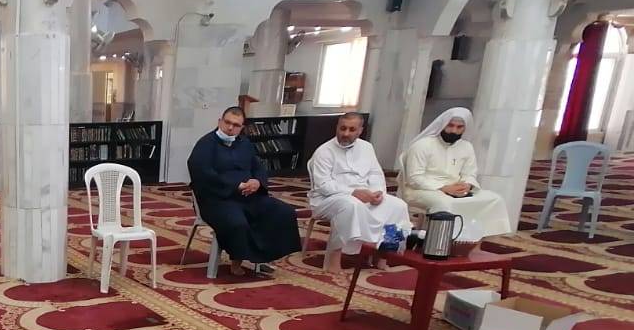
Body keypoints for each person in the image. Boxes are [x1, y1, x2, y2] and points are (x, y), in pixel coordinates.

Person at [188, 106, 301, 276]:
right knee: (237, 223)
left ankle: (263, 256)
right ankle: (238, 260)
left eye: (236, 125)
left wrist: (257, 182)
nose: (230, 128)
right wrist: (236, 185)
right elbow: (202, 174)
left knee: (283, 212)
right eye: (227, 122)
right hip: (217, 199)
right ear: (219, 121)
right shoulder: (205, 144)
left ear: (242, 127)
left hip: (248, 196)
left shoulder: (245, 144)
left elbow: (258, 167)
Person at [307, 112, 412, 269]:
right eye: (342, 128)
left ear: (360, 131)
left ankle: (384, 254)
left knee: (398, 205)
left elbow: (375, 173)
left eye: (351, 129)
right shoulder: (324, 151)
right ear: (337, 127)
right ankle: (333, 260)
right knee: (350, 205)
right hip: (328, 199)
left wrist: (377, 193)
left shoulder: (366, 147)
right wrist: (353, 193)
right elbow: (323, 185)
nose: (346, 133)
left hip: (365, 196)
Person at [401, 107, 512, 237]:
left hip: (455, 189)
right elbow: (414, 178)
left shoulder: (466, 147)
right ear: (443, 124)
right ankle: (439, 239)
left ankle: (472, 238)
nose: (454, 131)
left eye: (459, 127)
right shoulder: (422, 145)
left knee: (495, 199)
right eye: (450, 125)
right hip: (421, 189)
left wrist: (467, 185)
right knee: (445, 204)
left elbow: (470, 173)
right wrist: (444, 188)